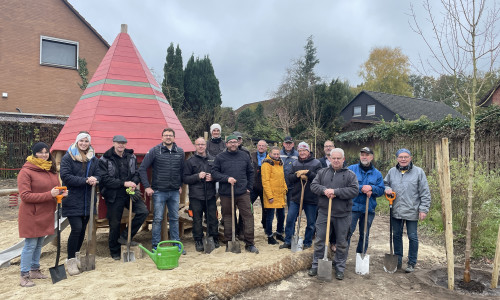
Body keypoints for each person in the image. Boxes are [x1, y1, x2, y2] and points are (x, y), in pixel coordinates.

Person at [17, 142, 67, 287]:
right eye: (40, 152)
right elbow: (25, 196)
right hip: (31, 214)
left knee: (39, 243)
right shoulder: (26, 171)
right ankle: (24, 276)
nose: (44, 155)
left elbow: (55, 189)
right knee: (30, 244)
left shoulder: (50, 170)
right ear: (34, 154)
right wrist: (49, 194)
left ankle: (34, 269)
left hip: (46, 212)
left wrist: (61, 193)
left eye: (46, 152)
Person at [310, 148, 358, 280]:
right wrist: (325, 190)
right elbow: (313, 186)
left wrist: (336, 192)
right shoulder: (322, 172)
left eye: (339, 158)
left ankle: (339, 267)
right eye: (333, 158)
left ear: (343, 159)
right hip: (324, 213)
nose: (336, 160)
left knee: (342, 242)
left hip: (343, 214)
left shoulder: (350, 175)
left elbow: (354, 190)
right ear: (329, 159)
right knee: (320, 240)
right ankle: (316, 265)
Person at [99, 135, 148, 260]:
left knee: (143, 212)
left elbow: (136, 173)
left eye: (123, 143)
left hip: (129, 192)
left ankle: (125, 237)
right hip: (114, 194)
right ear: (113, 143)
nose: (121, 145)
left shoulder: (131, 157)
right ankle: (114, 251)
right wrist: (124, 183)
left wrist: (133, 183)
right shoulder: (105, 159)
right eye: (118, 143)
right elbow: (105, 179)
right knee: (114, 223)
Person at [384, 148, 431, 273]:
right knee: (397, 235)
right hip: (396, 210)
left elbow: (425, 192)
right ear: (397, 159)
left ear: (410, 158)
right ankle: (398, 260)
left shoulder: (419, 172)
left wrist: (423, 209)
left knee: (412, 237)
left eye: (406, 157)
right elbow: (384, 183)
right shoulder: (392, 172)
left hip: (412, 210)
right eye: (400, 157)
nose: (403, 159)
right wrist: (387, 188)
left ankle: (411, 262)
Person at [139, 128, 185, 253]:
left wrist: (180, 184)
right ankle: (155, 245)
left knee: (175, 218)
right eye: (166, 135)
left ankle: (177, 245)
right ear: (162, 138)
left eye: (170, 135)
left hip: (174, 191)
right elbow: (142, 168)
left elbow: (182, 171)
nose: (168, 137)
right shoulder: (155, 151)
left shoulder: (180, 152)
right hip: (159, 191)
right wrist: (147, 186)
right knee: (158, 219)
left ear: (174, 138)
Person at [60, 132, 100, 275]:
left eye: (86, 141)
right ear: (77, 142)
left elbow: (99, 173)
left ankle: (77, 257)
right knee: (76, 229)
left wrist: (95, 178)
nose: (84, 143)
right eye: (81, 141)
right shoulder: (68, 157)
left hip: (88, 200)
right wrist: (85, 180)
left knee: (82, 230)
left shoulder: (93, 158)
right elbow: (66, 176)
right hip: (72, 199)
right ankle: (70, 261)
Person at [212, 135, 258, 253]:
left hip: (243, 192)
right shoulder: (220, 157)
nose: (233, 144)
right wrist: (226, 178)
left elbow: (250, 172)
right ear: (226, 144)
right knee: (228, 217)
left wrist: (249, 187)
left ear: (238, 143)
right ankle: (229, 241)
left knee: (248, 216)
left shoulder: (244, 156)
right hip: (226, 193)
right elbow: (214, 173)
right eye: (230, 142)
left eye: (235, 142)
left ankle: (249, 243)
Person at [280, 142, 322, 250]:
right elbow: (289, 178)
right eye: (300, 151)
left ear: (308, 151)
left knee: (311, 222)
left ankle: (307, 243)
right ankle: (289, 241)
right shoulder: (295, 163)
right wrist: (296, 175)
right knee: (290, 219)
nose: (302, 153)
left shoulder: (316, 163)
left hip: (311, 198)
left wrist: (308, 174)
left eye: (304, 150)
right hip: (296, 197)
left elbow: (319, 178)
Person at [346, 147, 385, 255]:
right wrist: (362, 188)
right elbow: (346, 184)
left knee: (364, 234)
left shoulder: (377, 174)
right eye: (362, 154)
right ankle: (342, 257)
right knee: (347, 232)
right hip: (352, 207)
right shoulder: (351, 169)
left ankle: (361, 255)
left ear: (371, 157)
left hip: (368, 208)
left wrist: (372, 189)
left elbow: (381, 190)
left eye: (367, 155)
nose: (364, 157)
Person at [183, 137, 219, 252]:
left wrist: (213, 178)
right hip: (196, 196)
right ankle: (198, 239)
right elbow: (185, 179)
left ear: (206, 145)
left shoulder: (213, 160)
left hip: (210, 194)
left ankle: (213, 237)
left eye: (202, 144)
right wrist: (197, 176)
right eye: (198, 144)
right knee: (197, 219)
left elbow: (218, 174)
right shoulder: (190, 161)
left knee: (212, 218)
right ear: (195, 146)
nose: (200, 146)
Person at [261, 146, 287, 245]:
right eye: (274, 154)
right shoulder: (266, 164)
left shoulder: (280, 163)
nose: (276, 156)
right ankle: (270, 236)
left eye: (277, 154)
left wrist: (285, 188)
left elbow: (282, 177)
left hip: (280, 193)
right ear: (270, 153)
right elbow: (265, 181)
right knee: (270, 216)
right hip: (271, 194)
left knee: (281, 215)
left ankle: (279, 233)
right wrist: (270, 196)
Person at [249, 140, 268, 231]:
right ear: (257, 146)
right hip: (253, 185)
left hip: (265, 186)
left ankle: (265, 225)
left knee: (266, 208)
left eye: (263, 146)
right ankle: (247, 226)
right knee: (248, 206)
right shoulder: (251, 156)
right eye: (259, 145)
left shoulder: (269, 156)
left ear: (266, 147)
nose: (261, 147)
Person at [280, 136, 298, 208]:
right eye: (286, 143)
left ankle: (292, 219)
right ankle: (279, 219)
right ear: (283, 144)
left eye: (290, 143)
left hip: (292, 185)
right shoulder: (279, 153)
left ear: (293, 144)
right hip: (280, 184)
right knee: (280, 207)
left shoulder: (297, 154)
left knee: (292, 205)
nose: (288, 145)